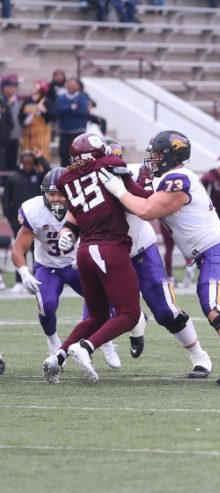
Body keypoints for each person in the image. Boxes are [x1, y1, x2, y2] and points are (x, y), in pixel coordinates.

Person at [97, 130, 220, 384]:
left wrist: (118, 190)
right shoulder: (169, 178)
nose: (153, 160)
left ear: (172, 156)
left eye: (158, 155)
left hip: (217, 251)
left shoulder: (177, 179)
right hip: (217, 251)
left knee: (215, 308)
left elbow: (146, 210)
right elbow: (146, 195)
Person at [105, 139, 213, 377]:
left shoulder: (135, 173)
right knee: (100, 309)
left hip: (141, 249)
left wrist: (121, 189)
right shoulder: (83, 185)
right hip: (108, 254)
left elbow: (148, 208)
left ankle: (199, 356)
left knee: (165, 311)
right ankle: (69, 353)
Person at [43, 133, 141, 384]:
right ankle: (86, 346)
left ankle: (59, 356)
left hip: (85, 251)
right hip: (109, 248)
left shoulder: (67, 178)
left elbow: (77, 214)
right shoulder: (108, 166)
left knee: (96, 316)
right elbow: (139, 198)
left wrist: (68, 231)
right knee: (129, 314)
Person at [12, 166, 121, 368]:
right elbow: (18, 248)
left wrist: (85, 254)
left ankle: (104, 340)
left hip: (78, 264)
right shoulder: (34, 210)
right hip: (48, 266)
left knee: (106, 298)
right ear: (44, 193)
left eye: (60, 194)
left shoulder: (84, 205)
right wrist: (24, 272)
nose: (55, 199)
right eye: (51, 194)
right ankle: (53, 341)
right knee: (47, 305)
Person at [2, 149, 48, 292]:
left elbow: (49, 173)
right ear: (21, 162)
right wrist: (11, 219)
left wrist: (41, 159)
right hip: (19, 223)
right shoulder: (14, 178)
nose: (28, 165)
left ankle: (37, 279)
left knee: (37, 252)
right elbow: (5, 200)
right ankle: (19, 281)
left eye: (31, 162)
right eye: (25, 162)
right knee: (19, 251)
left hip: (37, 222)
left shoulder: (39, 176)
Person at [54, 78, 90, 167]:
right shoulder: (61, 98)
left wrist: (68, 110)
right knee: (64, 154)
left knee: (78, 156)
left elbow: (82, 111)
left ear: (78, 86)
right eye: (69, 84)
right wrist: (71, 107)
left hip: (78, 131)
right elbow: (58, 110)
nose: (71, 87)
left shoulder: (82, 97)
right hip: (64, 131)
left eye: (74, 84)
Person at [18, 80, 54, 159]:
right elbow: (20, 116)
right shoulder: (27, 101)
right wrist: (24, 122)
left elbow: (52, 116)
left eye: (37, 88)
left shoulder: (46, 101)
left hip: (42, 135)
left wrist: (44, 111)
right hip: (28, 134)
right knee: (27, 155)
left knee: (41, 155)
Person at [1, 75, 22, 171]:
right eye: (8, 88)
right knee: (2, 161)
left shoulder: (18, 102)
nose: (10, 90)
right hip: (2, 137)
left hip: (15, 136)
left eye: (12, 88)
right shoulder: (1, 102)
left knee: (12, 160)